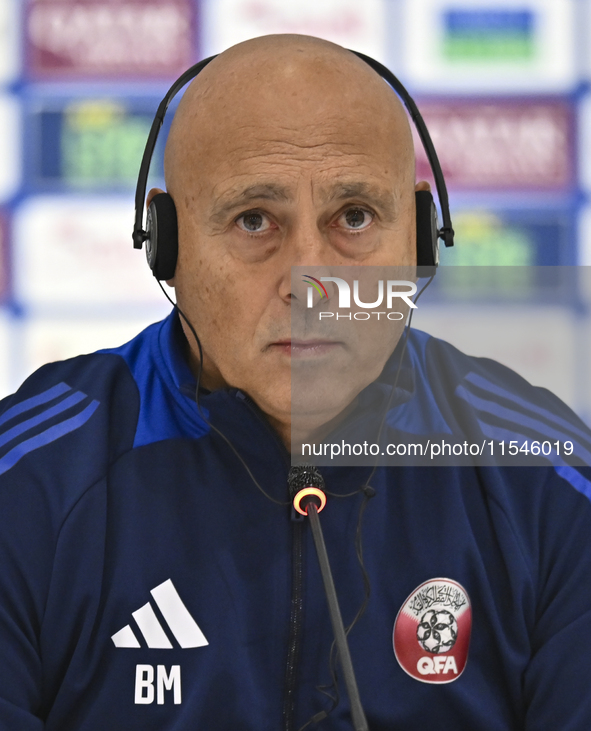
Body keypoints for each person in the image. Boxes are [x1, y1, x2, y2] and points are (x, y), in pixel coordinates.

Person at [1, 34, 591, 731]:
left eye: (354, 218)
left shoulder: (547, 482)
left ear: (419, 241)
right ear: (166, 242)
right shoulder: (29, 486)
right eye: (254, 220)